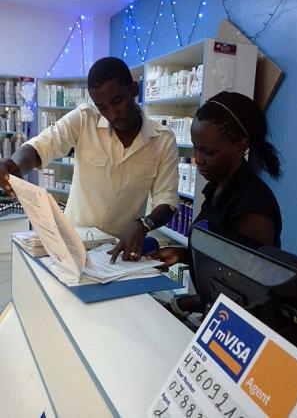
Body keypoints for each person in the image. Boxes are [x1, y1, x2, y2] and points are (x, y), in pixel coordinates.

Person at [0, 57, 179, 263]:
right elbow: (40, 147)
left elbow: (167, 200)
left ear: (134, 89)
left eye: (117, 101)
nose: (112, 113)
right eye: (102, 107)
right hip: (72, 242)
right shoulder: (85, 119)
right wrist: (12, 165)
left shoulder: (162, 140)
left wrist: (144, 224)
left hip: (118, 250)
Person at [149, 91, 282, 316]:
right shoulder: (218, 186)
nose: (198, 158)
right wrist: (184, 254)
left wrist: (182, 304)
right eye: (196, 147)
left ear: (241, 146)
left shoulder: (253, 208)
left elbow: (245, 294)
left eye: (208, 151)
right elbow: (223, 259)